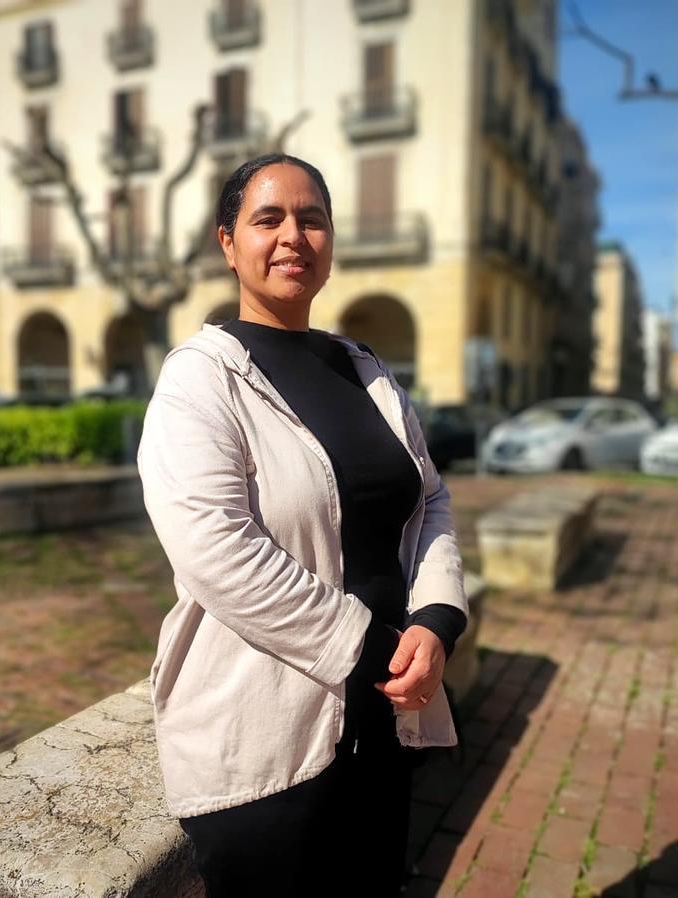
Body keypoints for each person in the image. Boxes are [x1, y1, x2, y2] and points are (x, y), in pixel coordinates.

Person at [136, 153, 469, 897]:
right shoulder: (201, 377)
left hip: (384, 718)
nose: (294, 236)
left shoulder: (367, 371)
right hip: (265, 744)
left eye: (311, 219)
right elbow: (214, 549)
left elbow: (431, 499)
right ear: (228, 243)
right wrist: (371, 645)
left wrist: (438, 620)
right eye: (268, 218)